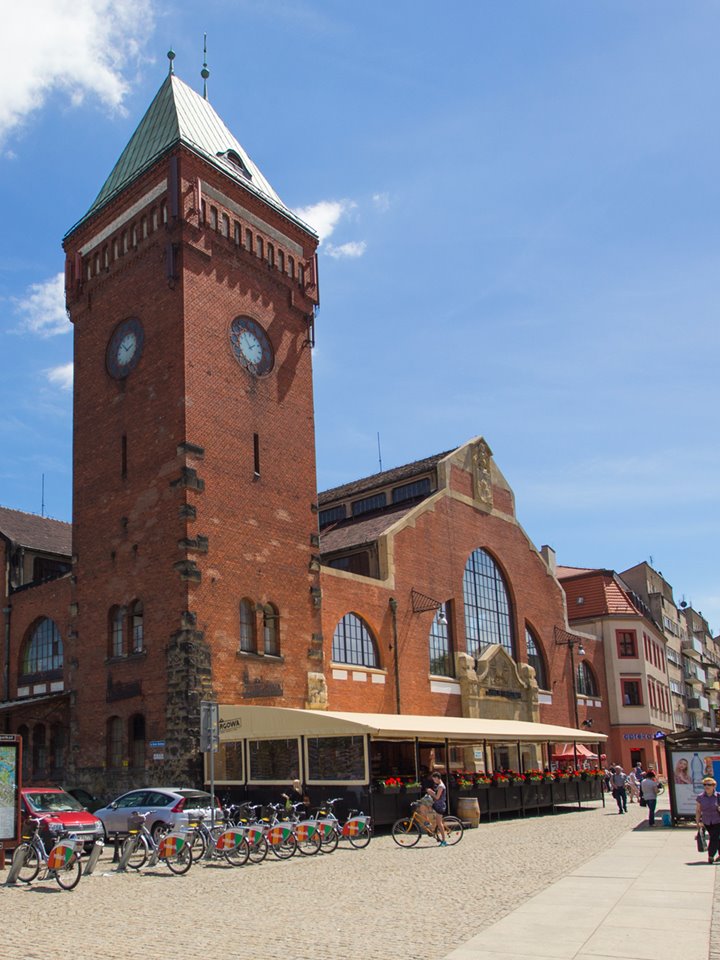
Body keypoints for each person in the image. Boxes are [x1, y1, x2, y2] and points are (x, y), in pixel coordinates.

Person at [695, 776, 720, 864]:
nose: (706, 786)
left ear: (714, 786)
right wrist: (698, 822)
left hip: (718, 821)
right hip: (707, 821)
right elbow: (698, 810)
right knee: (716, 838)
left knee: (714, 837)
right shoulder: (700, 797)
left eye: (709, 784)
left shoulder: (718, 796)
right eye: (705, 784)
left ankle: (711, 855)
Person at [426, 772, 448, 846]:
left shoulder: (441, 786)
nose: (433, 781)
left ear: (437, 778)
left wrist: (430, 792)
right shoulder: (439, 784)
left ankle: (444, 841)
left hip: (440, 806)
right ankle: (429, 824)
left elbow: (437, 797)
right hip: (436, 804)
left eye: (434, 779)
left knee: (439, 823)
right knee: (425, 808)